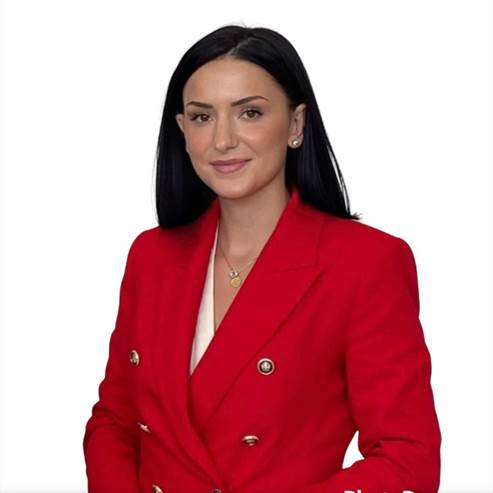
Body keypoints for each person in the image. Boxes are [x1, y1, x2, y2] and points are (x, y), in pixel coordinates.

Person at [83, 24, 441, 493]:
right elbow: (115, 420)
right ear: (182, 131)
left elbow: (406, 457)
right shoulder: (152, 256)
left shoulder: (365, 263)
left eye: (249, 113)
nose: (223, 140)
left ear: (295, 125)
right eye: (202, 117)